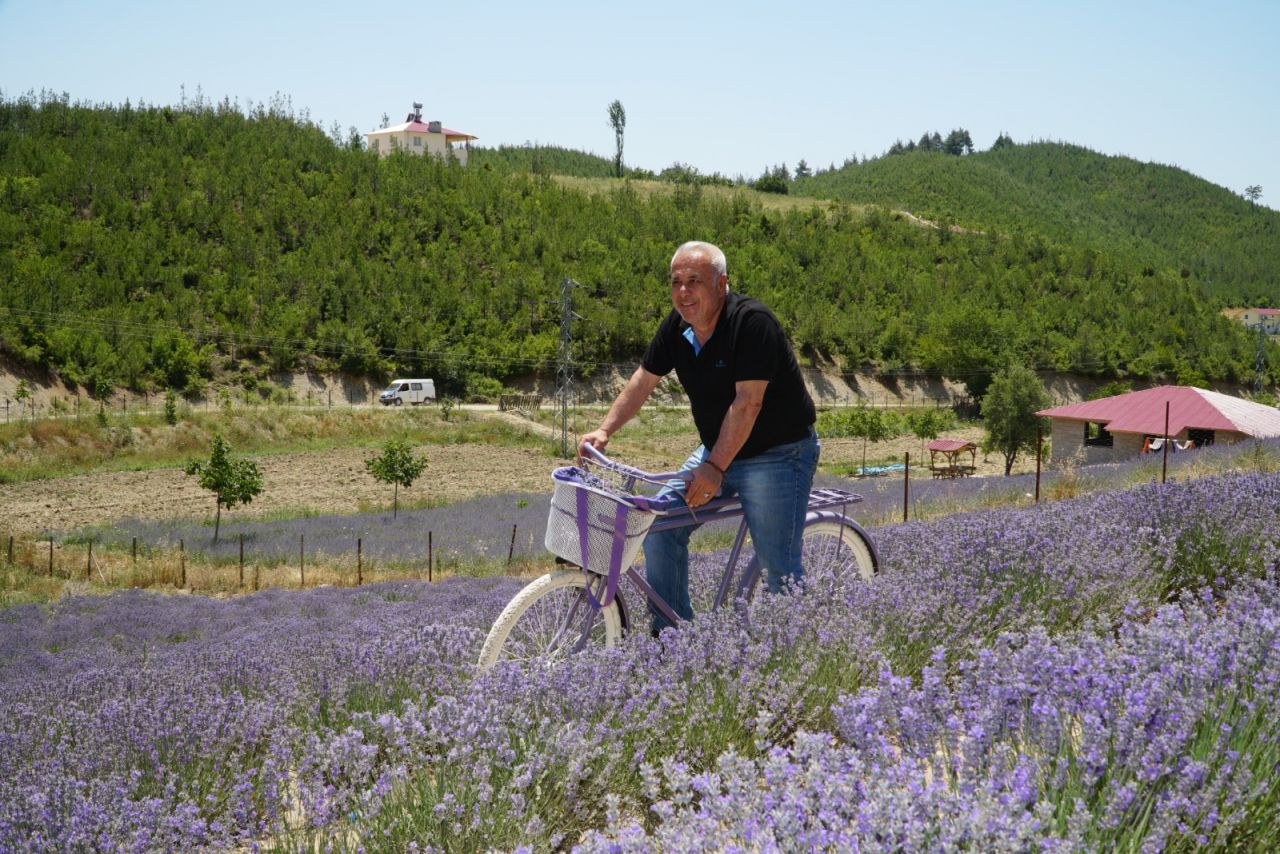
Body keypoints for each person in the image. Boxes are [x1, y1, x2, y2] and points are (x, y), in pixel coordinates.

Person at [579, 241, 819, 634]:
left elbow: (747, 404)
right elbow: (643, 381)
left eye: (695, 281)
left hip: (778, 454)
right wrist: (604, 430)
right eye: (676, 282)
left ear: (721, 284)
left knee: (778, 565)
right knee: (659, 527)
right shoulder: (678, 326)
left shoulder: (752, 323)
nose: (683, 292)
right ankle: (674, 641)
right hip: (718, 451)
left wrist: (714, 468)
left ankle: (797, 652)